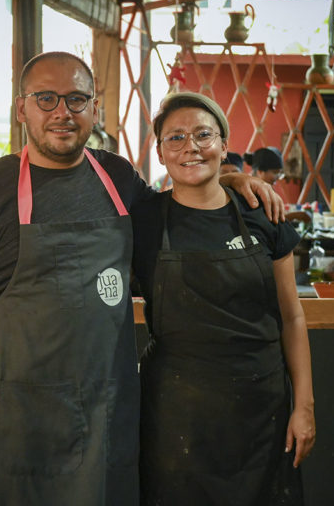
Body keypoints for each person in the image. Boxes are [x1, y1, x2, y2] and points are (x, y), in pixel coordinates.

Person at [0, 51, 284, 505]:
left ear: (95, 109)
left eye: (77, 99)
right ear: (21, 108)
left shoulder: (118, 178)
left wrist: (234, 179)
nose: (63, 112)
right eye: (46, 99)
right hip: (19, 414)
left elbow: (181, 201)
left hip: (108, 409)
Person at [131, 92, 315, 505]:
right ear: (160, 153)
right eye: (175, 138)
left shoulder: (262, 212)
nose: (190, 147)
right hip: (177, 415)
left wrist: (303, 406)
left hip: (262, 409)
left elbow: (292, 318)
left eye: (203, 135)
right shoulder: (141, 223)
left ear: (224, 144)